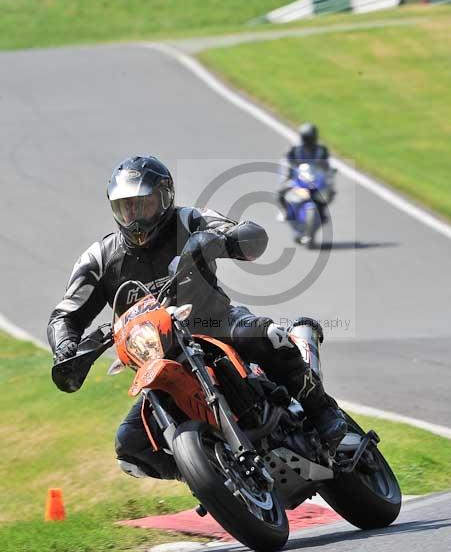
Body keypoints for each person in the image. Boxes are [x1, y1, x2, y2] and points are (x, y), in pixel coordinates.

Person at [48, 155, 347, 480]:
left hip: (215, 324)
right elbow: (65, 314)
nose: (134, 218)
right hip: (156, 356)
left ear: (164, 198)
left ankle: (322, 409)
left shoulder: (189, 220)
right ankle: (216, 477)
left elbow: (245, 234)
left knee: (264, 335)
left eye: (143, 205)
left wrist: (224, 240)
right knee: (130, 449)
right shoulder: (101, 257)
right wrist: (65, 346)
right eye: (125, 208)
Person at [278, 123, 335, 221]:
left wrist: (329, 173)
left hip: (315, 178)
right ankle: (285, 210)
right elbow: (287, 161)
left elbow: (326, 164)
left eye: (310, 138)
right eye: (307, 138)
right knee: (281, 190)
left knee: (330, 192)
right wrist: (288, 172)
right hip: (298, 176)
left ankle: (322, 211)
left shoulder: (322, 150)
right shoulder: (294, 149)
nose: (309, 141)